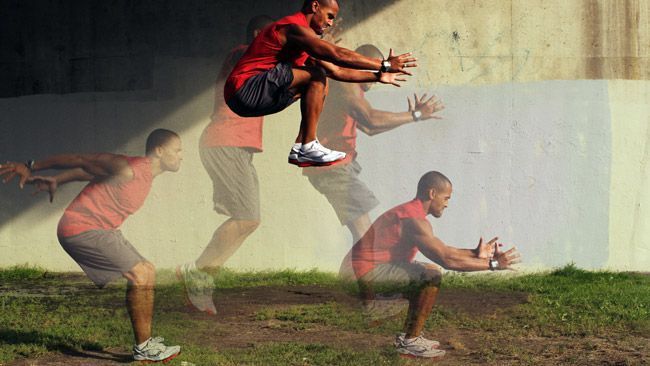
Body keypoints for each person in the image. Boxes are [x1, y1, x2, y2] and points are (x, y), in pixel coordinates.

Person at [0, 129, 183, 363]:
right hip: (81, 228)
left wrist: (58, 179)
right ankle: (144, 348)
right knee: (140, 275)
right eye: (177, 150)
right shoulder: (129, 168)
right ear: (159, 150)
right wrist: (31, 165)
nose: (181, 156)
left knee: (147, 271)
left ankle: (145, 342)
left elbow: (85, 172)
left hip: (103, 229)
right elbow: (81, 160)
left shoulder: (143, 175)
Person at [302, 44, 444, 276]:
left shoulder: (349, 86)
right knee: (365, 234)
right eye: (376, 69)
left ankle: (353, 284)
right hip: (332, 165)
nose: (378, 77)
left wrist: (413, 118)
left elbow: (370, 129)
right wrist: (416, 115)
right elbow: (370, 120)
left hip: (338, 165)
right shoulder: (347, 84)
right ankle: (363, 290)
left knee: (365, 235)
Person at [225, 0, 417, 167]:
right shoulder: (292, 28)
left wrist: (376, 76)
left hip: (248, 104)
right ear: (315, 6)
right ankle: (308, 145)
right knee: (316, 76)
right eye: (329, 16)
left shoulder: (304, 47)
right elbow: (337, 55)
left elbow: (336, 70)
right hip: (244, 89)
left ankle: (302, 147)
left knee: (319, 80)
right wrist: (383, 65)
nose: (330, 23)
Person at [351, 171, 521, 358]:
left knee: (429, 270)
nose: (447, 203)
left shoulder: (412, 213)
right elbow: (447, 259)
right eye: (446, 198)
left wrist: (476, 254)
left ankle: (407, 336)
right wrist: (494, 264)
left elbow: (445, 250)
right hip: (366, 273)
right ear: (432, 193)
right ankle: (409, 341)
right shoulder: (413, 220)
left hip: (367, 268)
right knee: (431, 276)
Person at [175, 15, 274, 316]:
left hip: (237, 147)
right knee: (245, 217)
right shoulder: (241, 52)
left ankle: (202, 278)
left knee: (250, 219)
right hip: (224, 141)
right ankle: (197, 272)